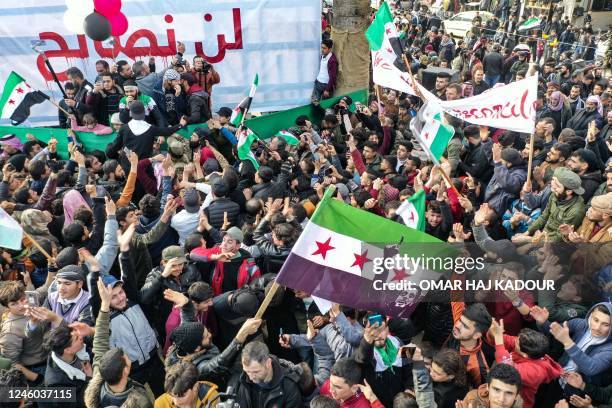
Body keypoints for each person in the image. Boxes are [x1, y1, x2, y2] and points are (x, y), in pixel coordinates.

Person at [190, 226, 261, 295]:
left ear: (238, 246)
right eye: (224, 240)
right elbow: (193, 254)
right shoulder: (217, 251)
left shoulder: (249, 265)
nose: (224, 244)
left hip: (235, 302)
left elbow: (255, 290)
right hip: (215, 300)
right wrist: (215, 257)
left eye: (229, 242)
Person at [236, 341, 303, 407]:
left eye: (256, 372)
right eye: (247, 371)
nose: (251, 377)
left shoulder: (289, 387)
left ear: (268, 363)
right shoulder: (243, 380)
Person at [154, 362, 219, 407]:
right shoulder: (161, 404)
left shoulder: (212, 397)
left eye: (181, 395)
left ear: (195, 387)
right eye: (172, 395)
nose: (176, 402)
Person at [459, 363, 523, 408]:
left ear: (516, 396)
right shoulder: (472, 399)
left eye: (509, 393)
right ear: (488, 387)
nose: (501, 399)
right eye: (497, 390)